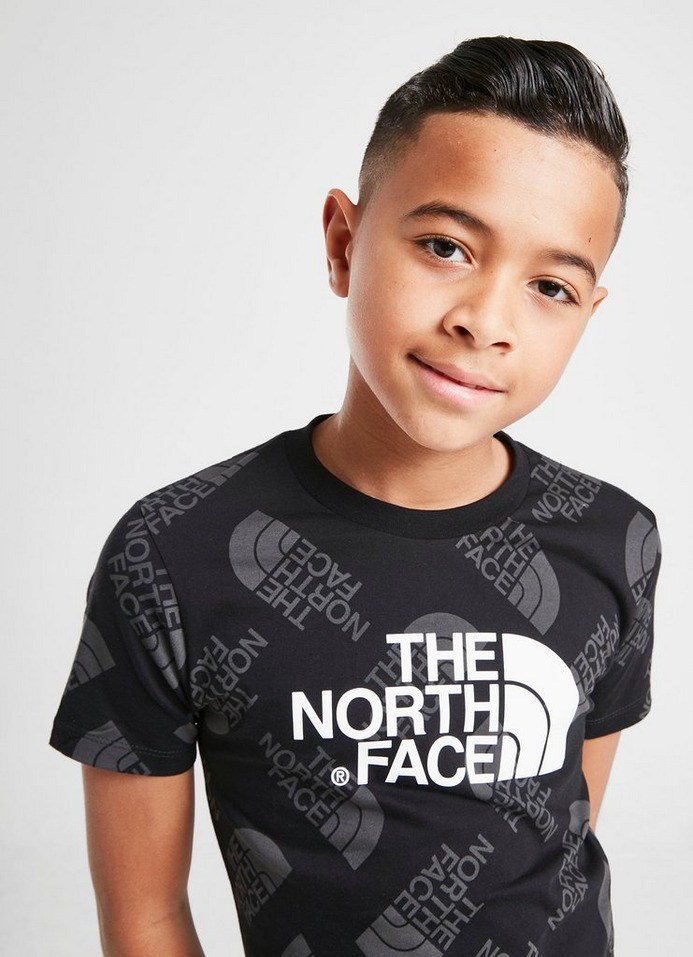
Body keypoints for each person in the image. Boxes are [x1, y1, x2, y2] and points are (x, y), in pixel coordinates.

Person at [50, 35, 661, 957]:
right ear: (344, 242)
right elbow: (145, 917)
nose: (485, 322)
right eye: (446, 246)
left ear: (587, 313)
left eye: (550, 286)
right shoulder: (172, 553)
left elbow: (555, 845)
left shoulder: (613, 538)